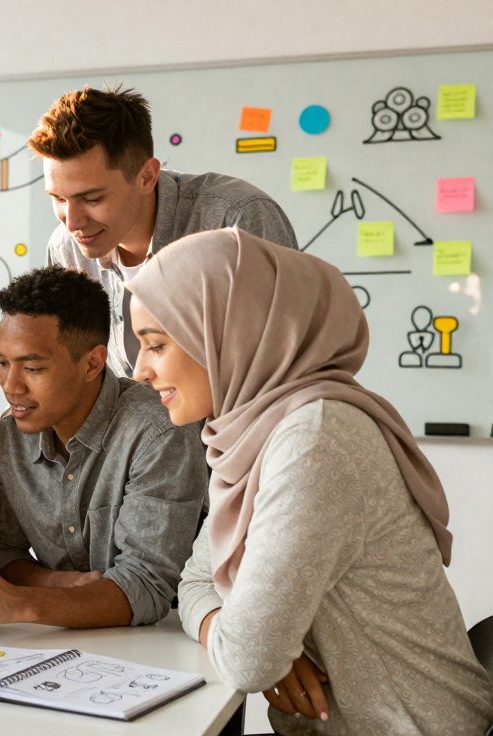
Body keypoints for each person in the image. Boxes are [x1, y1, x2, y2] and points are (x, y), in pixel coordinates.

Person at [127, 227, 493, 734]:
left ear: (228, 332)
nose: (141, 370)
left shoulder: (312, 440)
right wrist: (253, 640)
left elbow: (248, 660)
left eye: (156, 344)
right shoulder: (249, 435)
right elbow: (195, 583)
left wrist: (256, 646)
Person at [0, 265, 207, 628]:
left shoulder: (157, 432)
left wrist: (22, 603)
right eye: (2, 362)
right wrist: (61, 584)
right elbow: (1, 554)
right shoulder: (12, 435)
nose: (11, 386)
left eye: (33, 368)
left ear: (92, 363)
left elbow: (145, 586)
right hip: (55, 646)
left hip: (165, 645)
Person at [30, 85, 298, 378]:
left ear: (147, 176)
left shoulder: (236, 218)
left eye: (92, 199)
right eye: (58, 198)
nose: (72, 222)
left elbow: (283, 362)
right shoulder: (65, 247)